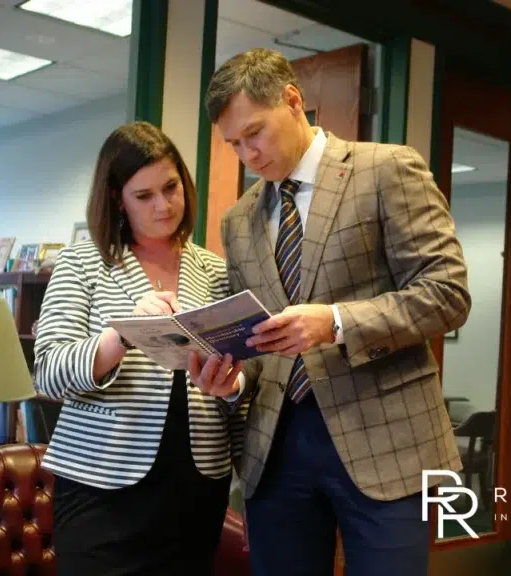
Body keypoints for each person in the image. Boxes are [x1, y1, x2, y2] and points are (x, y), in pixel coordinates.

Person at [191, 48, 472, 576]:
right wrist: (228, 379)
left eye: (254, 133)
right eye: (233, 144)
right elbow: (259, 344)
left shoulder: (386, 168)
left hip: (385, 440)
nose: (248, 154)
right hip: (275, 448)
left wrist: (337, 323)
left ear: (293, 101)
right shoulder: (238, 219)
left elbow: (447, 292)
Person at [33, 121, 246, 576]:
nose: (165, 205)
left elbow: (245, 379)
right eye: (144, 196)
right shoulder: (83, 261)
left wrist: (231, 386)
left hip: (196, 485)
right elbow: (48, 373)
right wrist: (120, 336)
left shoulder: (215, 271)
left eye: (171, 187)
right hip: (100, 486)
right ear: (116, 198)